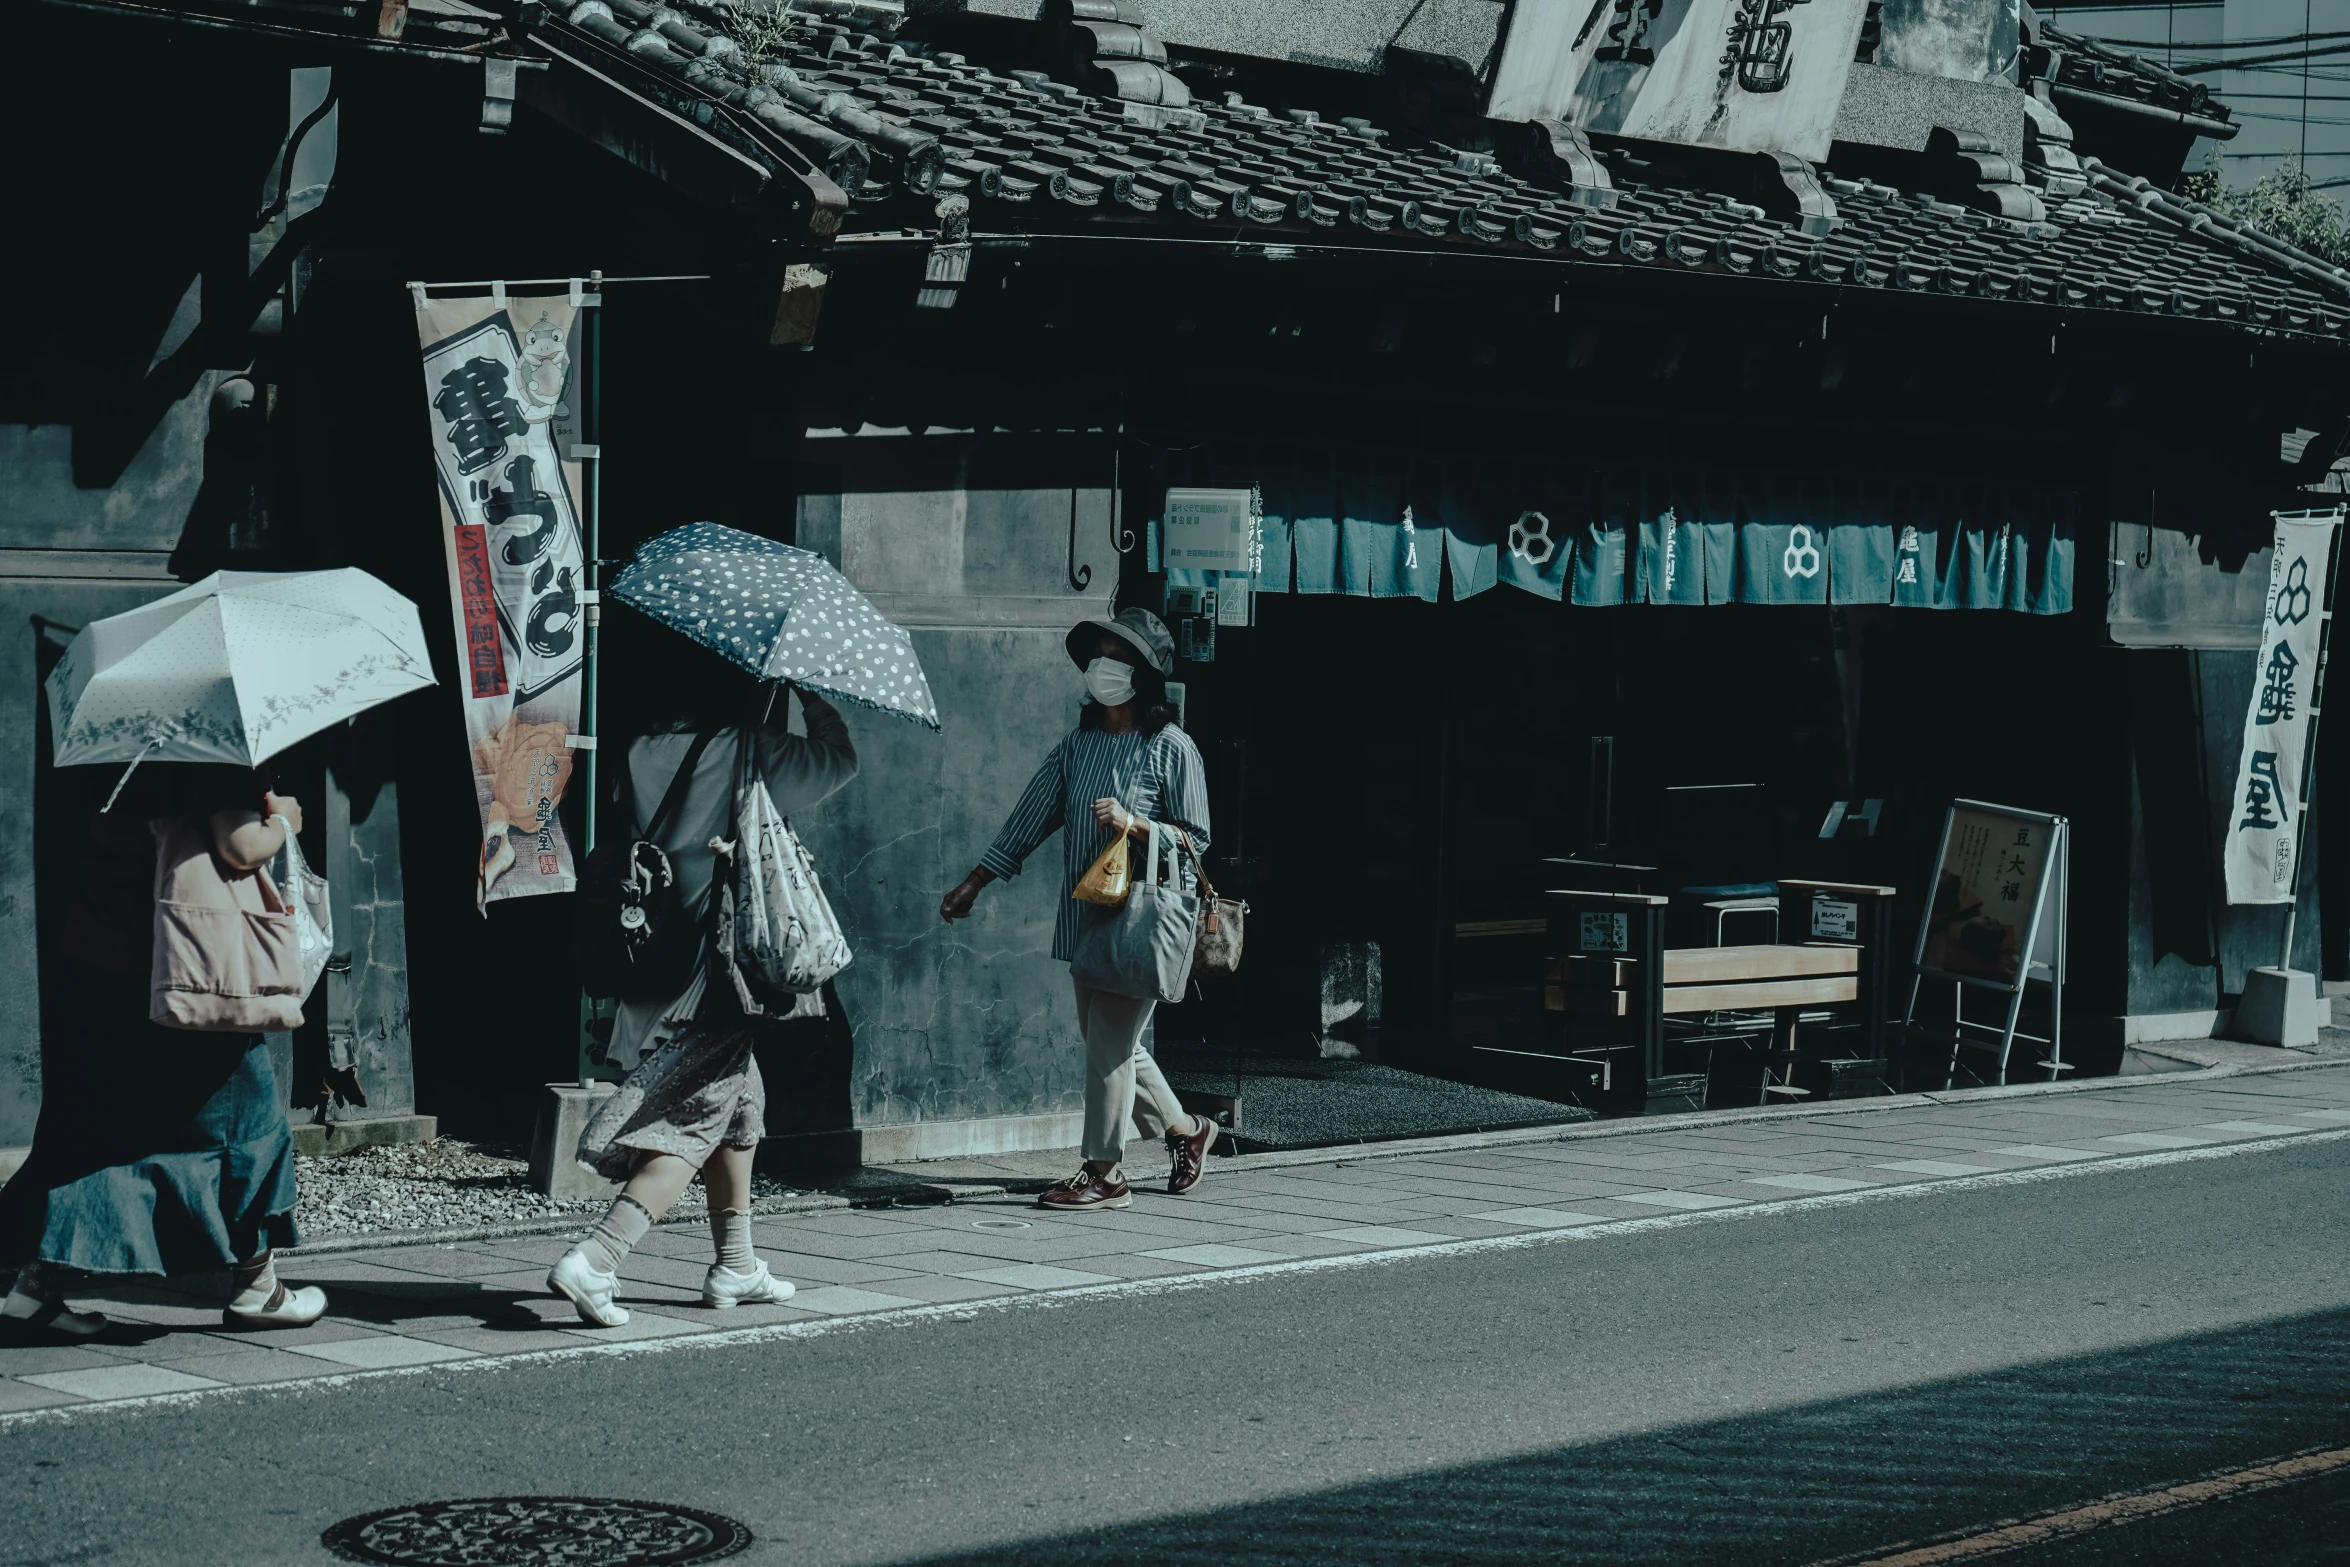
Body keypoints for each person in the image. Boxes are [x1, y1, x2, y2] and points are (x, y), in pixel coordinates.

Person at [546, 652, 857, 1328]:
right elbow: (838, 762)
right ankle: (599, 1256)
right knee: (690, 1120)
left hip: (652, 951)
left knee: (740, 1106)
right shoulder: (747, 747)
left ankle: (736, 1265)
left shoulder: (637, 748)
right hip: (716, 971)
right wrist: (808, 696)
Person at [0, 767, 326, 1339]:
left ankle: (35, 1290)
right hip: (192, 973)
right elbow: (238, 844)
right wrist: (285, 818)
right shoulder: (212, 753)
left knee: (105, 1136)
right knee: (246, 1126)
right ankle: (256, 1286)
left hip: (109, 969)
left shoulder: (121, 753)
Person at [939, 608, 1217, 1211]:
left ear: (1142, 674)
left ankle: (1104, 1173)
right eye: (1097, 655)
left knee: (1110, 1047)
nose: (1102, 668)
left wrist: (1136, 824)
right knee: (1108, 1043)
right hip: (1087, 917)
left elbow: (1198, 838)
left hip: (1141, 922)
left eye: (1117, 657)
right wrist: (975, 882)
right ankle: (1186, 1130)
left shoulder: (1172, 748)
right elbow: (1029, 817)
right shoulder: (1078, 745)